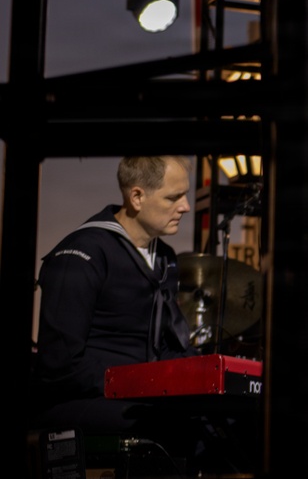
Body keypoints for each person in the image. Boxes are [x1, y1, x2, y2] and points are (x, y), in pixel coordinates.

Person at [32, 156, 200, 443]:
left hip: (139, 392)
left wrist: (207, 371)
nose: (185, 206)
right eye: (174, 197)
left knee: (227, 420)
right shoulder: (83, 254)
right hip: (79, 402)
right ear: (136, 196)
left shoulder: (165, 258)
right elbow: (59, 367)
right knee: (177, 430)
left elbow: (169, 348)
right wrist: (144, 382)